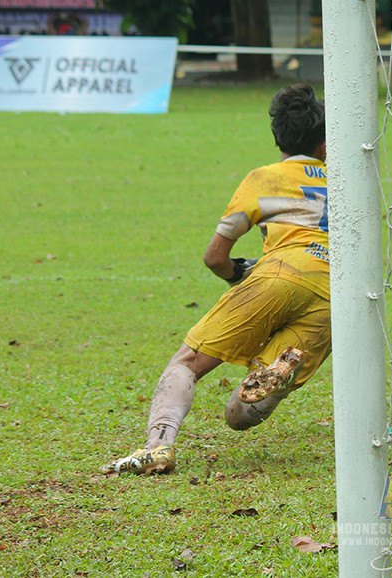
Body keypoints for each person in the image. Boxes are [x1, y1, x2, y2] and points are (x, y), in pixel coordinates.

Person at [102, 84, 331, 475]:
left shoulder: (265, 179)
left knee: (187, 362)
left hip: (278, 275)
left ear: (278, 138)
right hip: (334, 297)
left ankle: (158, 446)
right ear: (325, 144)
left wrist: (238, 273)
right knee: (239, 414)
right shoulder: (346, 181)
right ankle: (276, 371)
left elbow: (215, 257)